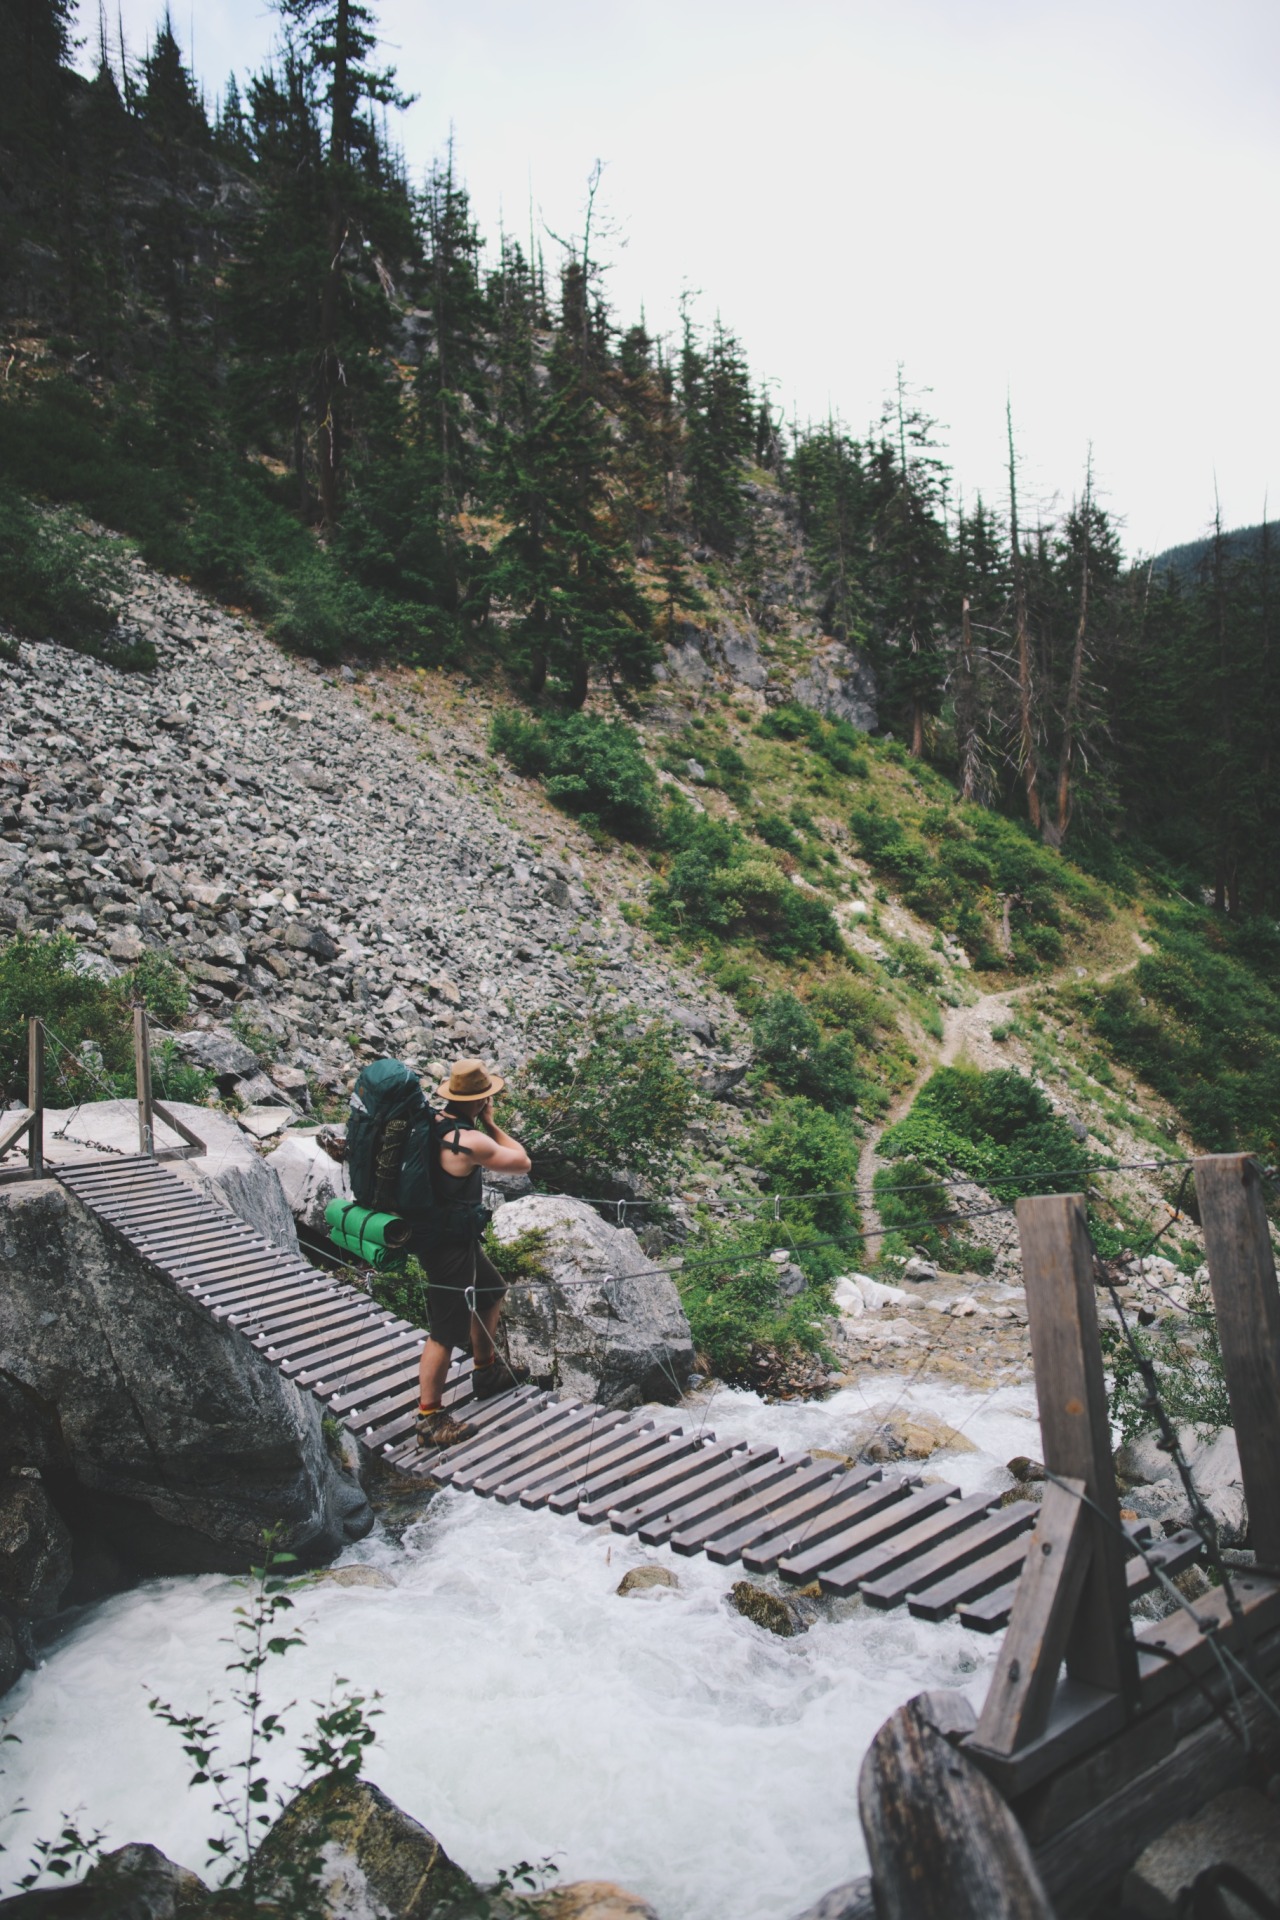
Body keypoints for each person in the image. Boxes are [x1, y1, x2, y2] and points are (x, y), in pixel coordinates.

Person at [416, 1059, 532, 1446]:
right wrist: (492, 1124)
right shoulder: (470, 1140)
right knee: (445, 1332)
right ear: (482, 1100)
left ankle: (486, 1371)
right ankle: (430, 1419)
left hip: (442, 1232)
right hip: (445, 1243)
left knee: (491, 1290)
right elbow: (521, 1161)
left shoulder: (431, 1124)